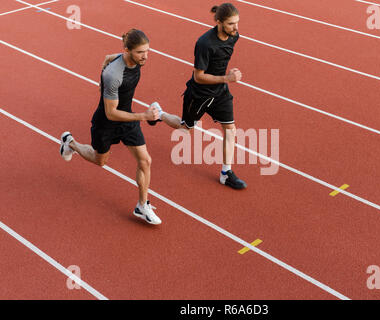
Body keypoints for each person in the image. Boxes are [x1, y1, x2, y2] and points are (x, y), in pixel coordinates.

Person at [59, 29, 162, 225]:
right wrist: (144, 116)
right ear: (128, 50)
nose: (145, 56)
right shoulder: (113, 75)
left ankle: (142, 205)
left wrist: (104, 71)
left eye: (147, 51)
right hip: (106, 124)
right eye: (141, 52)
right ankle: (69, 143)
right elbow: (111, 113)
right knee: (100, 161)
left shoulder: (130, 58)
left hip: (127, 120)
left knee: (145, 161)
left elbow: (109, 57)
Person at [153, 3, 247, 189]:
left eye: (237, 22)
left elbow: (221, 59)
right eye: (231, 24)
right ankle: (159, 113)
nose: (236, 28)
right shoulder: (204, 43)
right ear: (219, 22)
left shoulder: (234, 36)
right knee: (185, 129)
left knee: (230, 129)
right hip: (199, 94)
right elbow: (199, 76)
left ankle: (225, 173)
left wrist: (225, 78)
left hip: (220, 92)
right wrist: (227, 77)